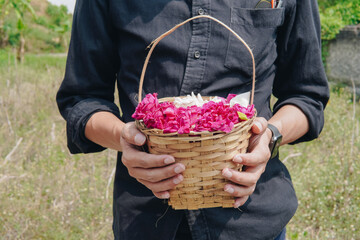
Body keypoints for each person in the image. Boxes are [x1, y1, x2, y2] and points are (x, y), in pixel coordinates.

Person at [56, 0, 329, 239]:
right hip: (146, 219)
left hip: (251, 219)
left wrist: (270, 134)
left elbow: (307, 95)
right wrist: (124, 137)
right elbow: (82, 99)